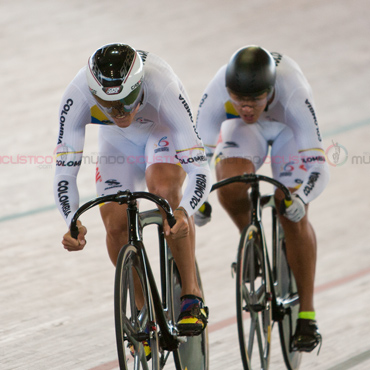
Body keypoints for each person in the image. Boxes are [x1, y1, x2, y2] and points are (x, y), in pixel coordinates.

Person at [53, 44, 211, 347]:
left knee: (164, 191)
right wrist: (71, 221)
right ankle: (142, 309)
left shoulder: (162, 87)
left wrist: (184, 210)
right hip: (117, 145)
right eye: (108, 106)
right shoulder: (77, 95)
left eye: (126, 102)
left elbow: (199, 170)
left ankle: (191, 294)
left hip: (161, 134)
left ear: (138, 87)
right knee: (114, 225)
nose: (119, 112)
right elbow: (64, 173)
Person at [195, 45, 329, 352]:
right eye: (238, 99)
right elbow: (196, 156)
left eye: (254, 99)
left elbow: (318, 166)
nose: (245, 107)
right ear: (228, 90)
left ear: (270, 91)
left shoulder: (293, 92)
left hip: (288, 131)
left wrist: (300, 198)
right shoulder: (218, 89)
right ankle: (250, 238)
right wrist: (198, 197)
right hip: (244, 133)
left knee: (291, 211)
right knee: (229, 183)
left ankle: (307, 314)